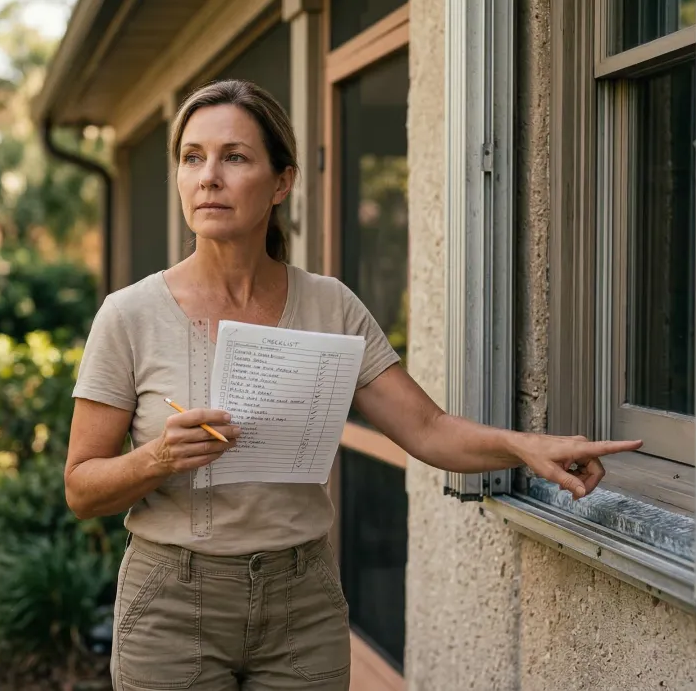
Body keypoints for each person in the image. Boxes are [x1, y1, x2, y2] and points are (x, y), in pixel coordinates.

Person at [65, 79, 641, 691]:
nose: (209, 176)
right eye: (192, 157)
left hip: (302, 604)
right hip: (172, 608)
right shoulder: (128, 315)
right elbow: (82, 488)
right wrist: (158, 457)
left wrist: (526, 448)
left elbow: (427, 428)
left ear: (282, 182)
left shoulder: (330, 305)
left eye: (234, 156)